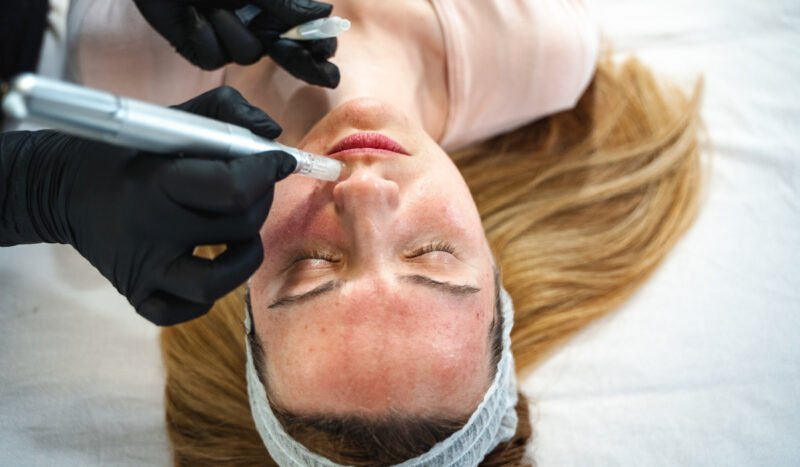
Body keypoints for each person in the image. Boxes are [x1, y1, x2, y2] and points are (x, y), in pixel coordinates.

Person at [149, 1, 703, 466]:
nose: (365, 195)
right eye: (433, 254)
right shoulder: (542, 51)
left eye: (312, 264)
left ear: (245, 292)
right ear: (494, 268)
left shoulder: (132, 67)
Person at [0, 0, 339, 325]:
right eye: (397, 256)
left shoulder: (129, 60)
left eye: (315, 263)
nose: (368, 189)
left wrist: (35, 185)